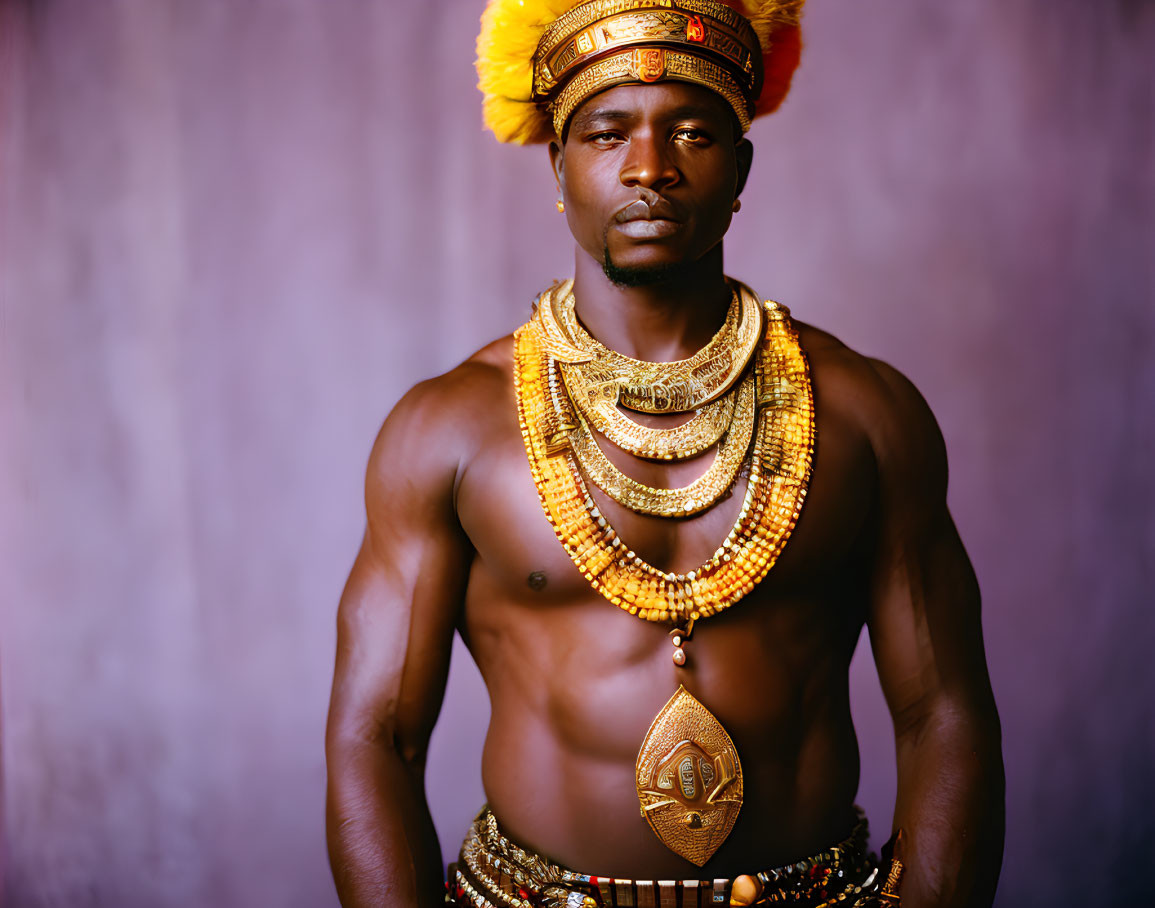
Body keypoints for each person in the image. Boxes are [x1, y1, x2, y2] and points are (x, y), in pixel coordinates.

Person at [324, 1, 1004, 906]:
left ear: (741, 168)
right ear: (558, 167)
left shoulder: (863, 414)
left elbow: (941, 715)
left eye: (692, 133)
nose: (649, 169)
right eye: (606, 134)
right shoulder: (449, 430)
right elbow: (375, 735)